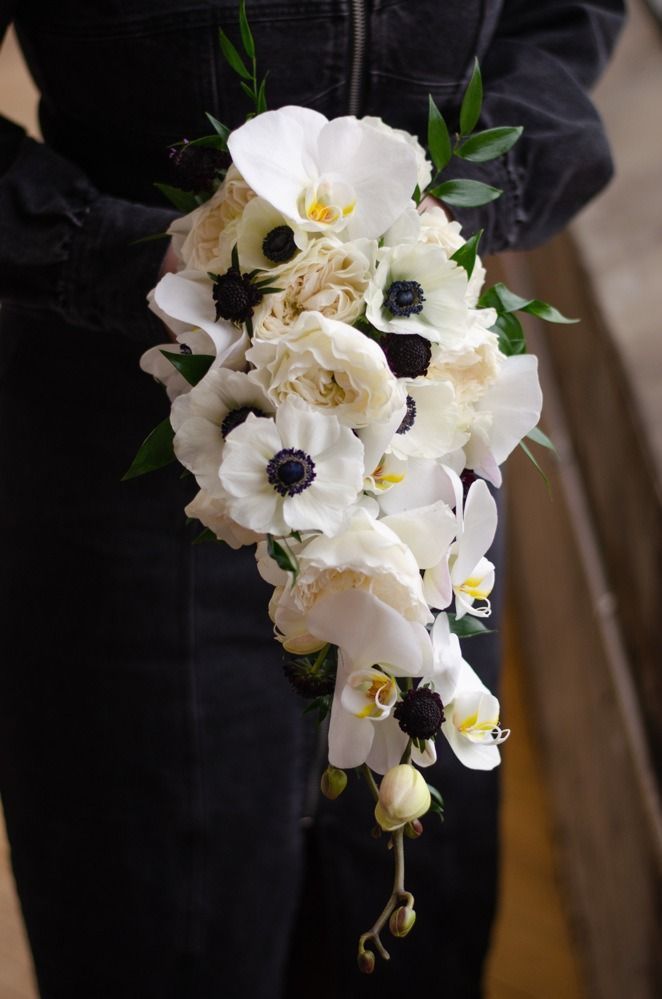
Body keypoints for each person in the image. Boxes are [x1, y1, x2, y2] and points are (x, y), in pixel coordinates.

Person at [0, 2, 624, 996]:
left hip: (420, 431)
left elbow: (564, 18)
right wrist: (141, 260)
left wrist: (446, 215)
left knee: (405, 911)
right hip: (129, 427)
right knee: (156, 916)